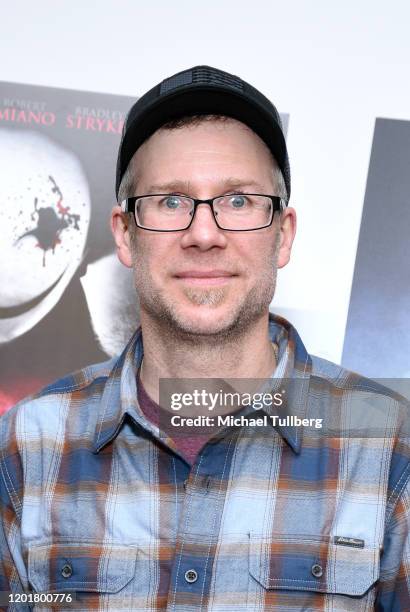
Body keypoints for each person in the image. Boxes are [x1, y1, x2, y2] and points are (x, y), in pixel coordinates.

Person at [1, 65, 409, 611]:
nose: (203, 234)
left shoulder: (389, 452)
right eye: (171, 201)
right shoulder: (25, 447)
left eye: (238, 201)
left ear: (282, 235)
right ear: (125, 235)